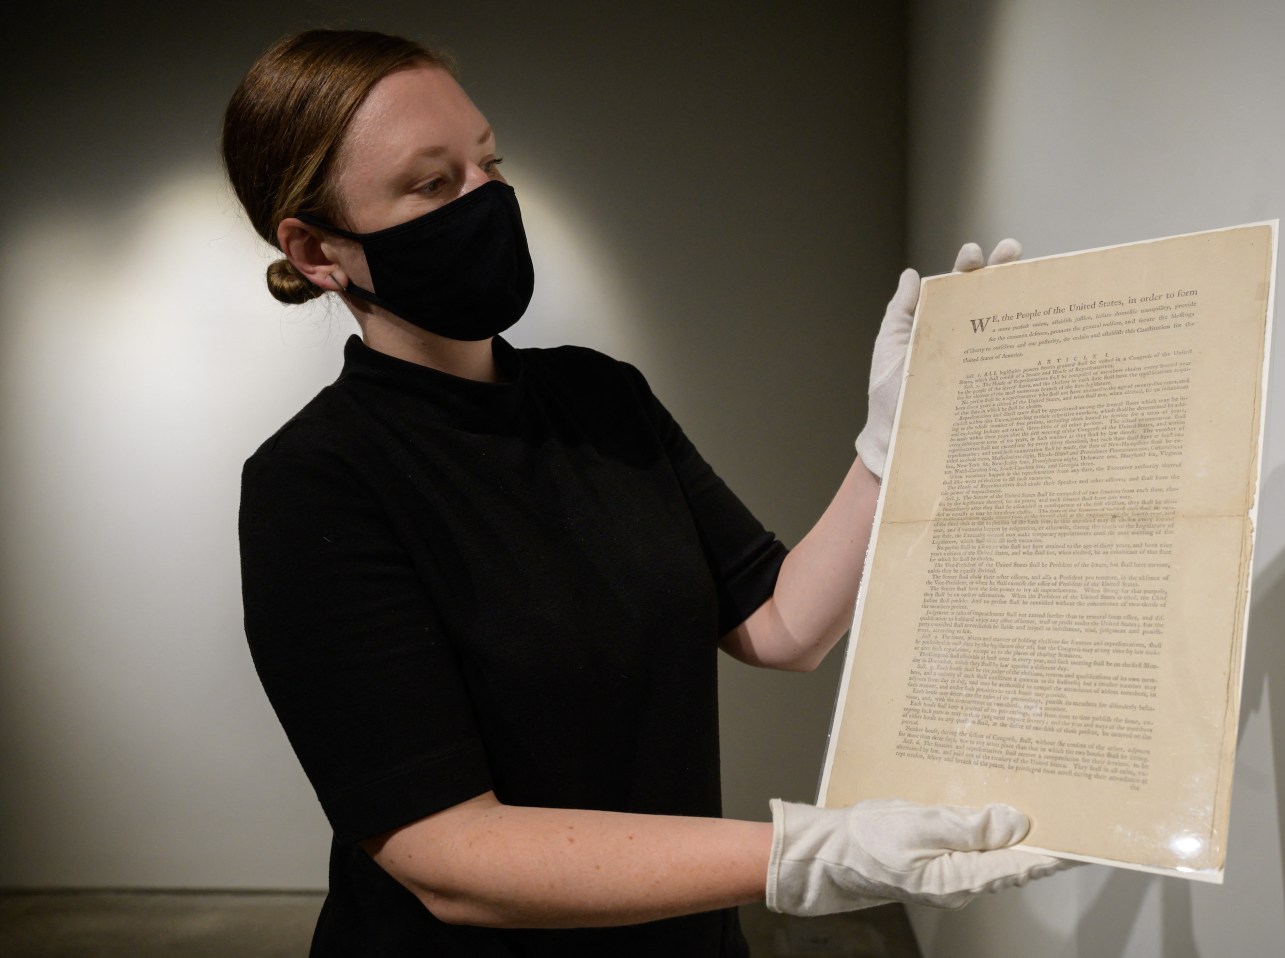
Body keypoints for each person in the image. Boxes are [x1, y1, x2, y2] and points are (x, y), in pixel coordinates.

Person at [227, 28, 1061, 957]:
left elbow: (782, 625)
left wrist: (892, 447)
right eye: (432, 184)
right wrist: (805, 854)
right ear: (314, 250)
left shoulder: (599, 397)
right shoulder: (314, 484)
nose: (487, 198)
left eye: (489, 162)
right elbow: (448, 852)